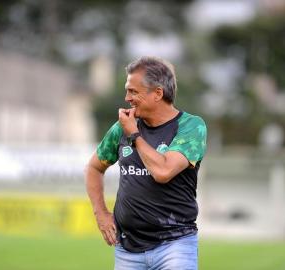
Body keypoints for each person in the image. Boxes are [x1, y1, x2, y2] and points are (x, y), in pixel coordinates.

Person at [85, 56, 207, 269]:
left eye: (133, 91)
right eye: (127, 90)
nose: (127, 98)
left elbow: (163, 171)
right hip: (127, 249)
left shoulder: (191, 126)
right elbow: (94, 168)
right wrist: (101, 213)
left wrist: (134, 135)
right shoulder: (122, 127)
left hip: (175, 245)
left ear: (158, 93)